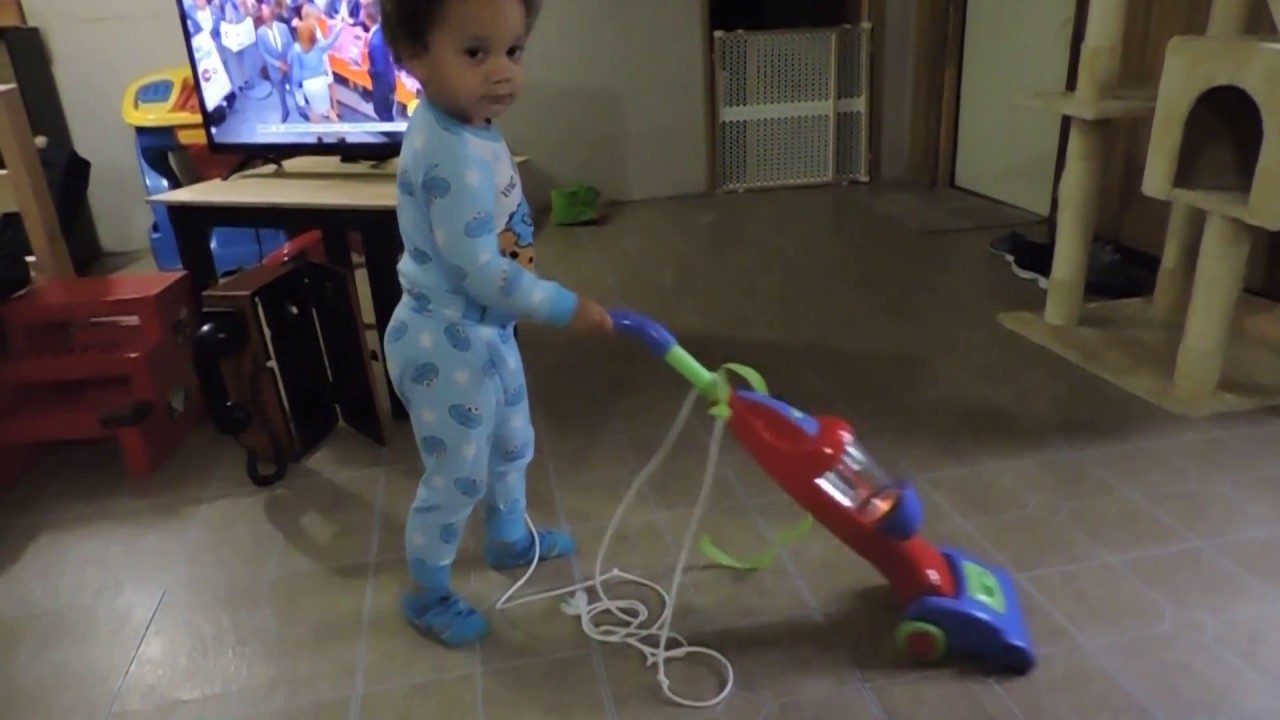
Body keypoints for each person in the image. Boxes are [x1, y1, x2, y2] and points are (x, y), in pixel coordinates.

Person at [378, 0, 613, 647]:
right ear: (413, 57)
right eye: (476, 54)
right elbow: (480, 269)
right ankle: (427, 593)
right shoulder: (446, 150)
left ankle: (508, 537)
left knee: (512, 441)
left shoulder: (471, 124)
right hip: (444, 340)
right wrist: (564, 305)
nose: (503, 72)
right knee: (456, 475)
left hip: (485, 333)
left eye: (514, 51)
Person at [289, 19, 343, 122]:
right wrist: (339, 29)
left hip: (308, 84)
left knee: (314, 110)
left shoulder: (296, 48)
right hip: (320, 82)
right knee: (328, 109)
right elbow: (331, 42)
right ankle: (340, 133)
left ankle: (318, 135)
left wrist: (296, 89)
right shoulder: (318, 45)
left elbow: (296, 72)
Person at [256, 2, 295, 122]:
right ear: (262, 18)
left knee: (294, 89)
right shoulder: (260, 33)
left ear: (272, 16)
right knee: (281, 92)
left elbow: (291, 45)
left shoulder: (283, 28)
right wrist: (278, 64)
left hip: (288, 66)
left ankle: (301, 109)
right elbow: (263, 53)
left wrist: (287, 61)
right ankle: (285, 111)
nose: (267, 20)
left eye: (269, 16)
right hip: (274, 69)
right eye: (265, 17)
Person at [362, 3, 396, 122]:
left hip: (383, 84)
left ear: (367, 18)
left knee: (383, 113)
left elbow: (379, 68)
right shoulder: (381, 31)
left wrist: (368, 69)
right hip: (388, 79)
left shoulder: (375, 42)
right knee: (385, 111)